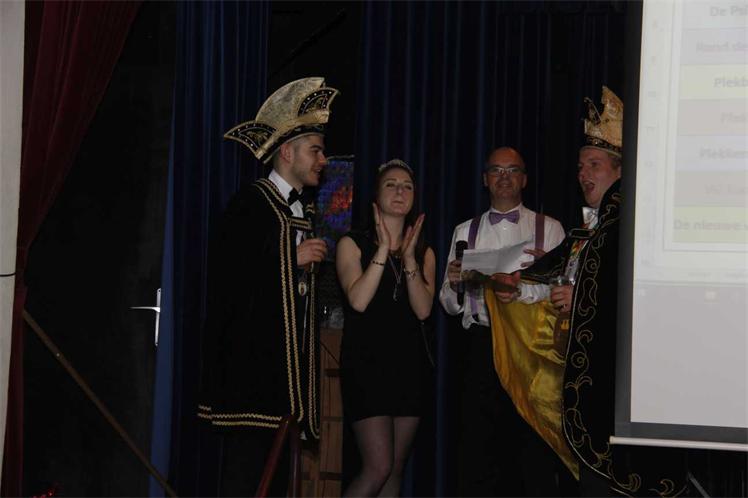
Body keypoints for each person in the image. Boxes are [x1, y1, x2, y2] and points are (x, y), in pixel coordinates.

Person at [494, 87, 687, 496]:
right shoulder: (591, 229)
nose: (583, 174)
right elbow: (554, 273)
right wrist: (519, 287)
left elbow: (638, 300)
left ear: (620, 170)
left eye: (594, 165)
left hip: (623, 387)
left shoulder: (632, 227)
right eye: (581, 166)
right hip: (591, 384)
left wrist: (579, 297)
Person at [198, 77, 338, 496]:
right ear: (287, 152)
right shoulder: (251, 204)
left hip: (282, 382)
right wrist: (291, 260)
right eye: (315, 150)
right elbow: (228, 280)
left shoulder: (298, 210)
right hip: (253, 379)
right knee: (248, 482)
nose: (323, 160)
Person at [439, 147, 566, 496]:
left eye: (512, 170)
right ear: (485, 179)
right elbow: (448, 304)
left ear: (524, 179)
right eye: (497, 170)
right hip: (481, 346)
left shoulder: (550, 229)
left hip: (532, 350)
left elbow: (564, 292)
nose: (504, 177)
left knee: (531, 450)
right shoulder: (464, 231)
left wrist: (524, 289)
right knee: (479, 450)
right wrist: (455, 284)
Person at [336, 159, 436, 497]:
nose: (400, 191)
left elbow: (423, 309)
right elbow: (358, 300)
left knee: (393, 470)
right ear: (376, 196)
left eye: (407, 186)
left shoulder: (423, 252)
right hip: (366, 367)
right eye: (391, 184)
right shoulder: (352, 243)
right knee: (377, 467)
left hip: (409, 367)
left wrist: (408, 259)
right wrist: (382, 249)